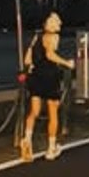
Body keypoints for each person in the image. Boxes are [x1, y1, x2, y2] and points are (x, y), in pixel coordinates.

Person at [19, 12, 74, 160]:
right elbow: (50, 54)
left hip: (36, 76)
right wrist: (66, 63)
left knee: (34, 111)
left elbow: (27, 59)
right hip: (50, 77)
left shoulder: (37, 37)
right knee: (53, 112)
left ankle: (27, 138)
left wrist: (30, 69)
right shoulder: (54, 37)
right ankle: (51, 148)